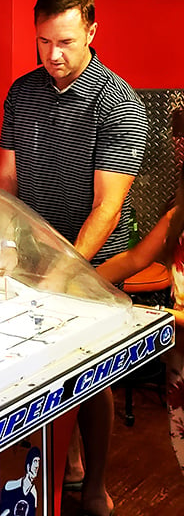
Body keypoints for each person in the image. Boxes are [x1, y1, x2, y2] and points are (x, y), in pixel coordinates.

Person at [0, 0, 148, 516]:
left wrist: (66, 267)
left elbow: (107, 207)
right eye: (42, 42)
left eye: (65, 42)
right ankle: (69, 461)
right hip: (32, 248)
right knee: (35, 364)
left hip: (96, 258)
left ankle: (96, 487)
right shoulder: (22, 91)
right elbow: (6, 176)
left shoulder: (120, 103)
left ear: (91, 32)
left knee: (88, 373)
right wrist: (3, 241)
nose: (53, 55)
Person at [96, 164, 184, 472]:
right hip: (181, 362)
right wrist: (78, 278)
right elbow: (135, 258)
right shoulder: (178, 216)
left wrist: (154, 316)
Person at [0, 446, 41, 516]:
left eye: (38, 461)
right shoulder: (10, 486)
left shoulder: (33, 493)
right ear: (28, 466)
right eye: (35, 461)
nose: (37, 465)